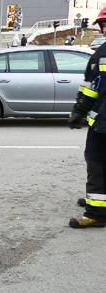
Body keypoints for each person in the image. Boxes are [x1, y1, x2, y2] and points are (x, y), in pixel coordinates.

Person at [68, 7, 106, 228]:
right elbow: (91, 88)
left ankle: (97, 213)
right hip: (100, 124)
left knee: (97, 164)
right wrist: (79, 112)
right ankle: (99, 203)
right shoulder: (100, 54)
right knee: (96, 163)